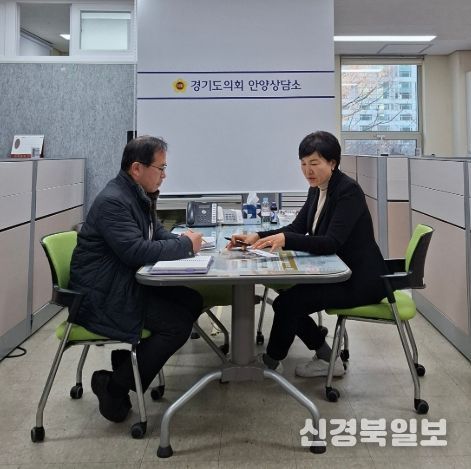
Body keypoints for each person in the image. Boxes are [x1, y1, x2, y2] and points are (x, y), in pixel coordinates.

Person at [228, 131, 387, 377]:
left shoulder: (348, 191)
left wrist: (286, 240)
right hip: (334, 271)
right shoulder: (317, 188)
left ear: (332, 163)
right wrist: (257, 236)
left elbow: (331, 242)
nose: (307, 171)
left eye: (314, 163)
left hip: (358, 280)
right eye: (303, 164)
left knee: (288, 304)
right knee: (289, 302)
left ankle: (274, 362)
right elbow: (296, 228)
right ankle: (325, 357)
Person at [69, 136, 204, 422]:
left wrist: (181, 239)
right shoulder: (114, 201)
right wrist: (185, 247)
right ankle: (114, 386)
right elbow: (135, 251)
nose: (164, 175)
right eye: (161, 168)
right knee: (176, 326)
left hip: (122, 283)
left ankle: (130, 364)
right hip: (102, 295)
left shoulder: (137, 194)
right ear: (137, 168)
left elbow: (155, 232)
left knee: (191, 299)